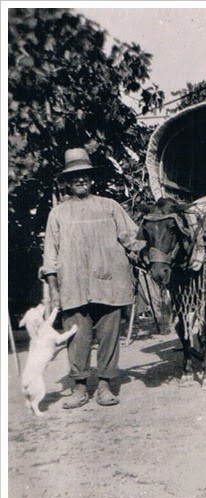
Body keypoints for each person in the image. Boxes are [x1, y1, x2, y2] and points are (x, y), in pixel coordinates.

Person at [40, 148, 139, 408]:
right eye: (75, 177)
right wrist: (54, 292)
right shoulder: (58, 214)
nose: (80, 180)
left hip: (110, 283)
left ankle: (105, 386)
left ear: (92, 179)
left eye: (84, 175)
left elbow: (132, 239)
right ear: (67, 182)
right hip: (73, 286)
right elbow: (50, 257)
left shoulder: (110, 207)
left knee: (108, 337)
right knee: (77, 338)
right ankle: (79, 388)